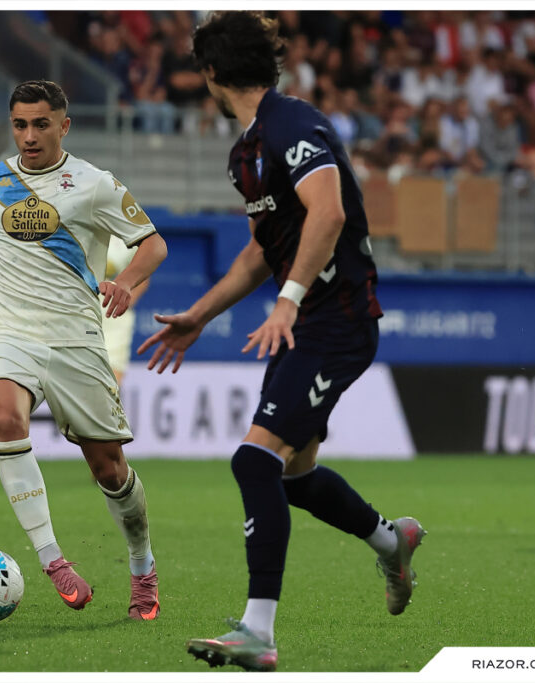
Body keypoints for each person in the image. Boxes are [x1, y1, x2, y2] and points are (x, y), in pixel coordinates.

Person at [138, 12, 426, 671]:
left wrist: (288, 301)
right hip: (311, 324)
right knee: (292, 476)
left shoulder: (290, 124)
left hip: (337, 321)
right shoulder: (246, 153)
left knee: (254, 460)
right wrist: (200, 315)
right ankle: (393, 541)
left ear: (211, 72)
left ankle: (257, 632)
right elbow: (261, 252)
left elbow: (330, 212)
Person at [0, 80, 168, 620]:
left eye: (41, 124)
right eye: (20, 125)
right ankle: (52, 560)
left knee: (109, 469)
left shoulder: (95, 184)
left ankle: (142, 564)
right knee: (6, 418)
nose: (29, 136)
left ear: (64, 125)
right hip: (9, 330)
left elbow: (153, 244)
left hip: (76, 339)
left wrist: (125, 281)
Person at [101, 236, 149, 385]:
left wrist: (125, 301)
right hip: (79, 303)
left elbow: (144, 273)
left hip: (114, 310)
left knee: (112, 374)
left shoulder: (132, 230)